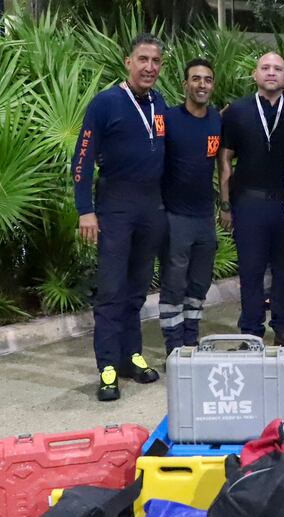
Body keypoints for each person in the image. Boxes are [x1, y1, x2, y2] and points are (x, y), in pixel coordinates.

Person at [72, 33, 167, 402]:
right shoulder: (105, 103)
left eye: (155, 61)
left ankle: (131, 355)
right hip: (115, 203)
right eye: (142, 59)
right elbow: (81, 160)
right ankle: (108, 366)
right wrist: (85, 209)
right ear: (128, 62)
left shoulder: (159, 103)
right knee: (112, 289)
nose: (149, 67)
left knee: (138, 288)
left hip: (150, 205)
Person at [218, 52, 284, 354]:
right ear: (255, 75)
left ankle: (283, 329)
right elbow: (225, 159)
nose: (272, 73)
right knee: (251, 272)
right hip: (249, 204)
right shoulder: (237, 111)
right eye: (265, 68)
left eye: (278, 69)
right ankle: (251, 333)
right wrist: (226, 203)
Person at [158, 58, 221, 353]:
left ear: (213, 85)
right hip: (174, 216)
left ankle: (190, 340)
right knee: (174, 284)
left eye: (207, 79)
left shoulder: (217, 121)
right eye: (196, 79)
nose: (202, 84)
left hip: (205, 217)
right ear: (185, 84)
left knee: (199, 283)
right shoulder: (169, 119)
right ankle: (173, 346)